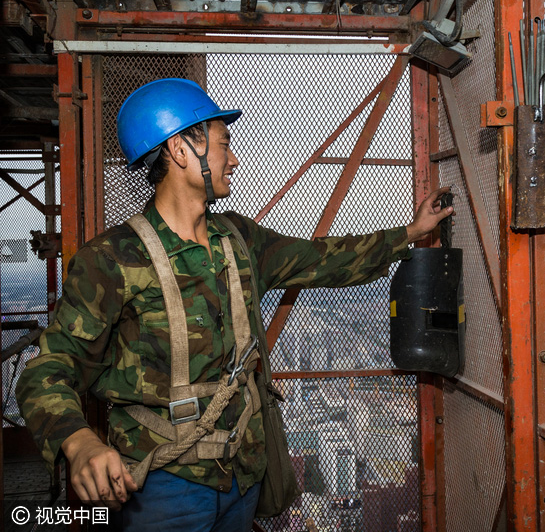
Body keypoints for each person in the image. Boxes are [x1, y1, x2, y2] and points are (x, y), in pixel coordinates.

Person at [15, 78, 452, 531]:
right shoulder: (111, 260)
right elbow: (47, 370)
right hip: (164, 483)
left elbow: (320, 260)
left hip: (243, 472)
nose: (235, 159)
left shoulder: (239, 239)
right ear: (183, 150)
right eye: (224, 144)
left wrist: (410, 234)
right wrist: (79, 440)